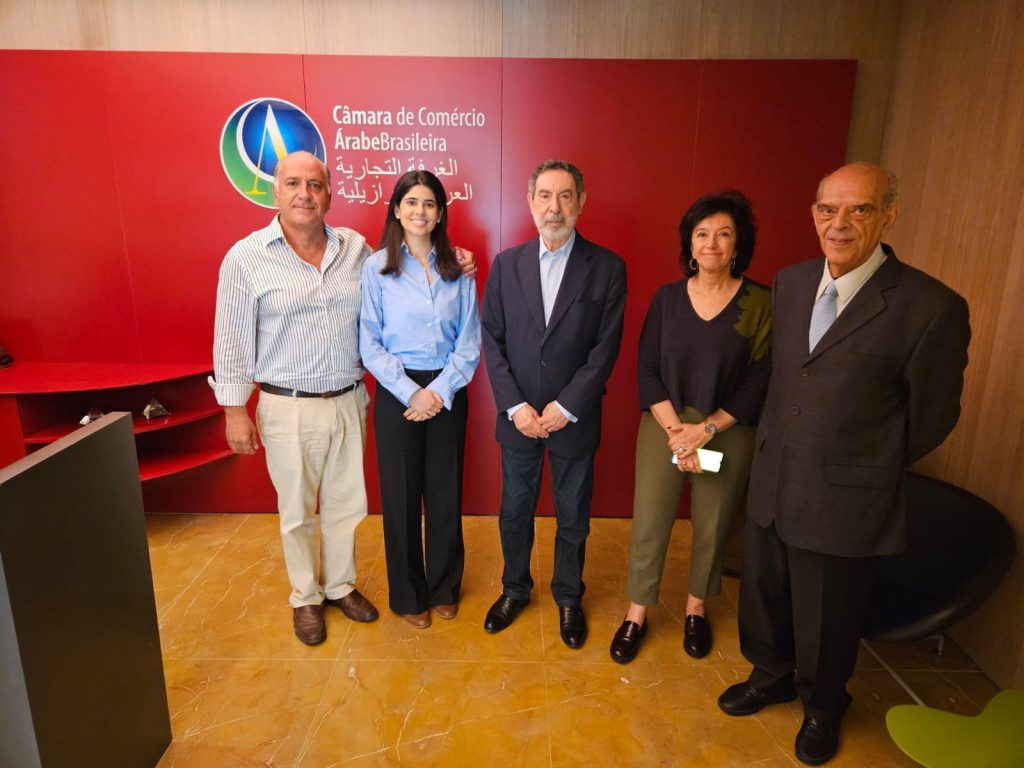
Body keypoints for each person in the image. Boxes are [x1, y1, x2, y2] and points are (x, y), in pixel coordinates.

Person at [717, 163, 970, 766]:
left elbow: (932, 417)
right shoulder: (791, 282)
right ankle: (770, 674)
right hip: (776, 480)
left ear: (889, 215)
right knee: (765, 595)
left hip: (846, 498)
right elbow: (787, 379)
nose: (840, 223)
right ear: (813, 214)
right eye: (828, 209)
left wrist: (864, 464)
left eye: (859, 210)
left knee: (828, 617)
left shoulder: (930, 306)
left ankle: (824, 706)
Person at [212, 151, 475, 646]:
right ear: (276, 192)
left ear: (330, 193)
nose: (304, 194)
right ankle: (306, 598)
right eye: (293, 184)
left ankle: (339, 586)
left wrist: (461, 259)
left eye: (314, 184)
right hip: (286, 403)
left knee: (344, 506)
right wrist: (233, 410)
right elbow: (229, 338)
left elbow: (424, 287)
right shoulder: (246, 258)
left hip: (349, 398)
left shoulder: (353, 249)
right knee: (296, 511)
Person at [609, 192, 771, 665]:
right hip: (665, 426)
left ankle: (697, 607)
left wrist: (709, 429)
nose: (712, 244)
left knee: (713, 523)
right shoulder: (666, 299)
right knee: (650, 520)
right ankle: (637, 610)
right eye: (702, 234)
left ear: (738, 242)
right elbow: (646, 367)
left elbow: (763, 373)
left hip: (728, 431)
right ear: (689, 243)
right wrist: (677, 429)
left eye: (723, 234)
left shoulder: (761, 303)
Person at [481, 159, 627, 649]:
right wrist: (515, 406)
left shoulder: (607, 268)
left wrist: (565, 407)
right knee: (514, 510)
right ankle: (514, 589)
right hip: (518, 419)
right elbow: (493, 342)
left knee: (573, 516)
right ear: (530, 201)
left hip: (573, 419)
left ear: (581, 203)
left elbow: (604, 350)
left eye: (565, 196)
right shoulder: (506, 265)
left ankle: (568, 596)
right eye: (545, 195)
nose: (554, 207)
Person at [359, 170, 481, 628]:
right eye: (411, 202)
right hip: (398, 393)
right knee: (401, 497)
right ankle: (409, 596)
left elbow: (470, 341)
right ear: (395, 209)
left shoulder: (458, 267)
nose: (420, 211)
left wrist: (440, 391)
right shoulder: (376, 268)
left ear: (441, 212)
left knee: (445, 493)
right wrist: (414, 392)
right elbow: (370, 343)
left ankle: (444, 587)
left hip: (448, 389)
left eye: (429, 203)